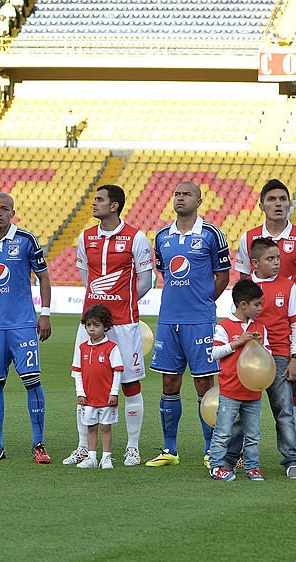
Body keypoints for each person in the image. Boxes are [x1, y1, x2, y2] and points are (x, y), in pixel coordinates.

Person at [64, 185, 152, 468]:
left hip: (124, 324)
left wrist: (121, 302)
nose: (94, 203)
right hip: (89, 324)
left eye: (100, 199)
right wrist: (98, 311)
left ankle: (132, 448)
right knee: (86, 384)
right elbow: (85, 276)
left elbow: (146, 281)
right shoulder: (85, 237)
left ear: (114, 206)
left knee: (130, 384)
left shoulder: (136, 238)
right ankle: (82, 448)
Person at [147, 181, 230, 467]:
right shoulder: (161, 237)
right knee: (169, 382)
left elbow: (223, 276)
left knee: (205, 385)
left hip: (200, 321)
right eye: (177, 194)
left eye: (187, 195)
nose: (180, 198)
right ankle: (169, 450)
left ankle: (211, 450)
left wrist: (204, 302)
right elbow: (163, 272)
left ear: (199, 200)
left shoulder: (211, 234)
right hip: (169, 320)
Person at [235, 179, 296, 465]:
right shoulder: (248, 240)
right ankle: (243, 452)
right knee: (245, 388)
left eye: (283, 198)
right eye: (272, 199)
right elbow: (244, 284)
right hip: (254, 335)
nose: (279, 203)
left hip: (289, 332)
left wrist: (287, 305)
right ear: (262, 205)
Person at [0, 192, 53, 463]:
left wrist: (45, 314)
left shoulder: (26, 240)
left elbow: (43, 277)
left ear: (13, 213)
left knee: (32, 382)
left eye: (5, 209)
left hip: (23, 324)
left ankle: (38, 444)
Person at [225, 237, 296, 478]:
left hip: (280, 357)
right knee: (241, 410)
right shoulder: (246, 287)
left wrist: (294, 358)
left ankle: (293, 460)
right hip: (248, 360)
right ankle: (231, 458)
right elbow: (236, 321)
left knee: (283, 410)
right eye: (270, 259)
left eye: (278, 258)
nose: (276, 263)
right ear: (254, 263)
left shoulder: (289, 286)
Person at [208, 279, 269, 482]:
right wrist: (237, 342)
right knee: (223, 432)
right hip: (230, 390)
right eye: (257, 304)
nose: (260, 308)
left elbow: (267, 356)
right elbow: (215, 353)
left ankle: (252, 467)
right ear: (243, 305)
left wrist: (260, 346)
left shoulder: (260, 327)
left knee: (253, 435)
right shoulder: (224, 326)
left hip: (253, 392)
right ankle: (217, 466)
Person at [72, 305, 124, 471]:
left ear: (105, 326)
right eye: (88, 325)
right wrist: (80, 393)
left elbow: (117, 372)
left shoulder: (112, 348)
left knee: (106, 427)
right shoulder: (82, 348)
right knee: (91, 427)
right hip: (88, 398)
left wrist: (114, 393)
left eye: (96, 325)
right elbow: (77, 372)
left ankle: (106, 457)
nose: (92, 329)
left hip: (106, 397)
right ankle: (92, 457)